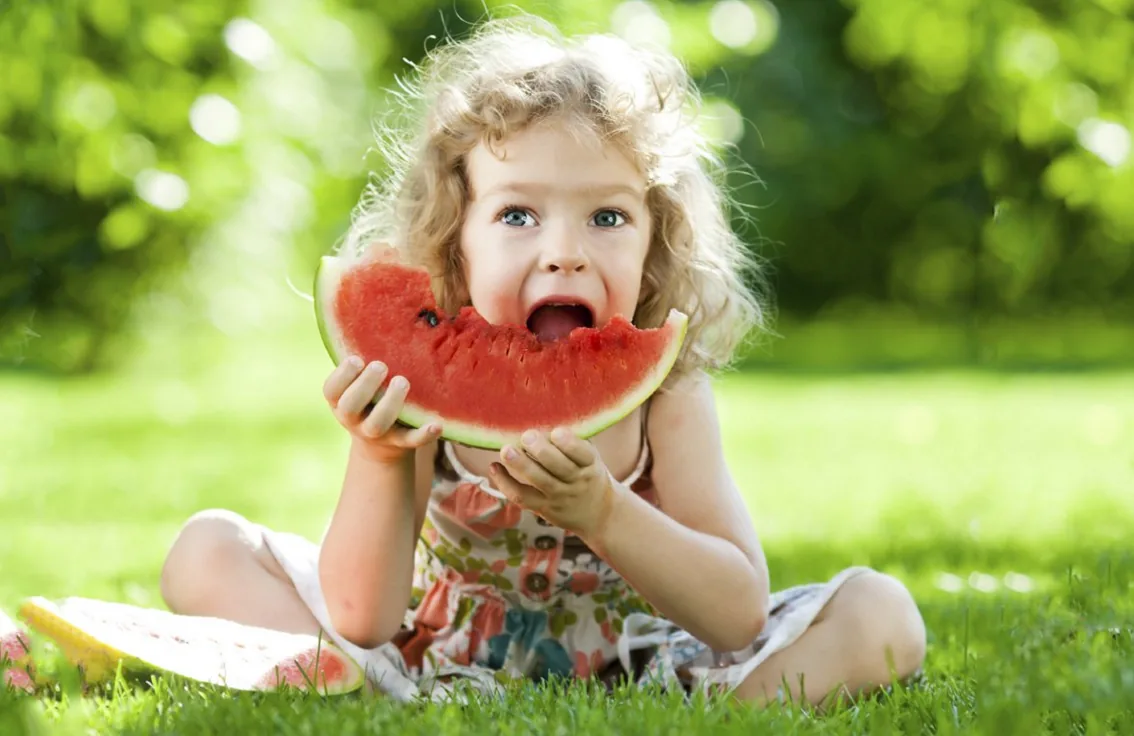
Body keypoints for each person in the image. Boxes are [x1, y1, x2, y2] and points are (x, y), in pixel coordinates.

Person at [5, 16, 926, 706]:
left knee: (885, 614)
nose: (563, 251)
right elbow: (364, 613)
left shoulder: (666, 396)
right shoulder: (419, 391)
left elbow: (734, 611)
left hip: (645, 670)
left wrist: (604, 512)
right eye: (518, 214)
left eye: (607, 216)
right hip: (432, 656)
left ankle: (729, 713)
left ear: (657, 242)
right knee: (206, 546)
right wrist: (376, 456)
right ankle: (355, 688)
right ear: (456, 243)